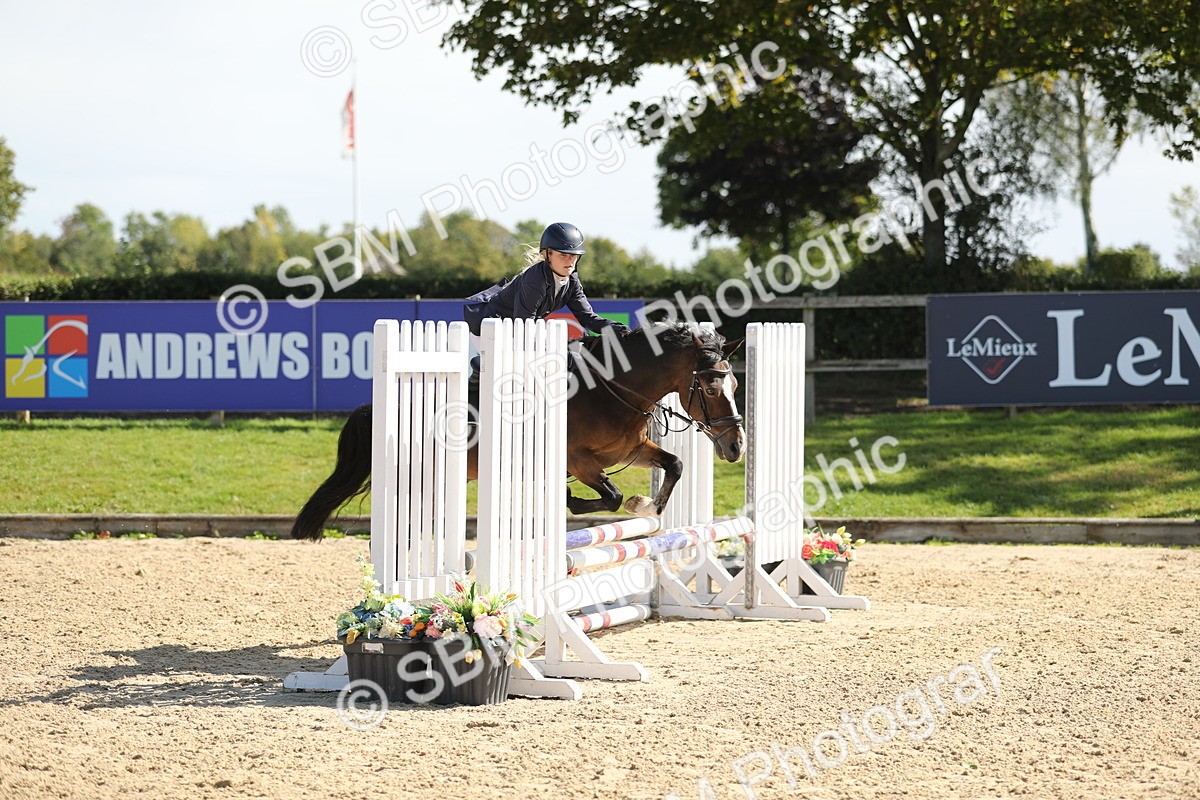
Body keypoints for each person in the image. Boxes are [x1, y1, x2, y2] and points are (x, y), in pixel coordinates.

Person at [463, 222, 629, 377]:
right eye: (563, 255)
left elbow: (588, 318)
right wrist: (557, 353)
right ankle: (474, 389)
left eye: (574, 256)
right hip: (490, 327)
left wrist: (615, 329)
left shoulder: (571, 282)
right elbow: (524, 325)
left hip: (518, 329)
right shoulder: (535, 279)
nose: (569, 261)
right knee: (507, 370)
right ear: (547, 254)